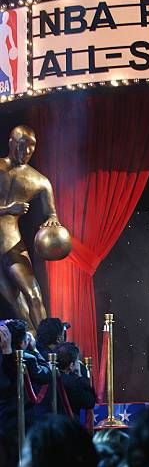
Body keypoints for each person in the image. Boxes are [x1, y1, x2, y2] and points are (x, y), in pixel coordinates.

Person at [0, 126, 64, 331]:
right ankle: (36, 349)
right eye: (21, 146)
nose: (26, 152)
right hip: (6, 242)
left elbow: (51, 213)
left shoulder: (40, 181)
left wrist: (52, 221)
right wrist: (7, 209)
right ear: (11, 143)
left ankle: (48, 343)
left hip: (11, 244)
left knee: (33, 294)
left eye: (31, 148)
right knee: (14, 301)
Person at [54, 342, 96, 417]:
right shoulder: (73, 383)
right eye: (77, 361)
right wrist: (79, 376)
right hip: (67, 424)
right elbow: (90, 402)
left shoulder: (49, 376)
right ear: (71, 365)